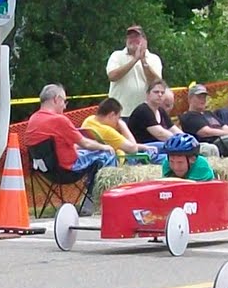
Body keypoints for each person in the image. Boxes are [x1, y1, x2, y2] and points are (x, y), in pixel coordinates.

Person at [24, 84, 117, 215]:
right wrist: (105, 146)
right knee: (107, 154)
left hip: (45, 170)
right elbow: (85, 143)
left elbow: (61, 145)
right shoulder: (59, 120)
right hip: (67, 170)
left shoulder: (33, 119)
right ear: (56, 99)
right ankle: (98, 201)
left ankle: (91, 193)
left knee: (88, 153)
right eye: (64, 101)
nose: (65, 106)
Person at [177, 83, 228, 156]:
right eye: (199, 97)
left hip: (222, 140)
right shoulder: (189, 116)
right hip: (211, 144)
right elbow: (206, 132)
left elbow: (224, 127)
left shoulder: (208, 113)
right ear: (190, 98)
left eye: (204, 97)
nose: (203, 100)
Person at [105, 25, 163, 114]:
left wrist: (143, 61)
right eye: (130, 37)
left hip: (145, 112)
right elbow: (112, 76)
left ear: (144, 40)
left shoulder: (154, 59)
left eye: (136, 37)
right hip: (119, 113)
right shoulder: (116, 55)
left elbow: (156, 83)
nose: (132, 39)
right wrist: (134, 60)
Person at [80, 98, 146, 162]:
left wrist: (143, 146)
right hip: (119, 159)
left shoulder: (89, 120)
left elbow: (116, 142)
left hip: (98, 153)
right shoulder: (107, 131)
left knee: (147, 147)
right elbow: (133, 149)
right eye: (118, 117)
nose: (118, 121)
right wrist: (123, 126)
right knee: (154, 149)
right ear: (112, 115)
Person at [126, 80, 179, 151]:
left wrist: (187, 138)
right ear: (148, 94)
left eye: (162, 93)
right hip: (141, 149)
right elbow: (160, 134)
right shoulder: (143, 110)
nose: (160, 95)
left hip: (156, 147)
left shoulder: (161, 110)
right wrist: (179, 140)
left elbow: (173, 128)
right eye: (156, 92)